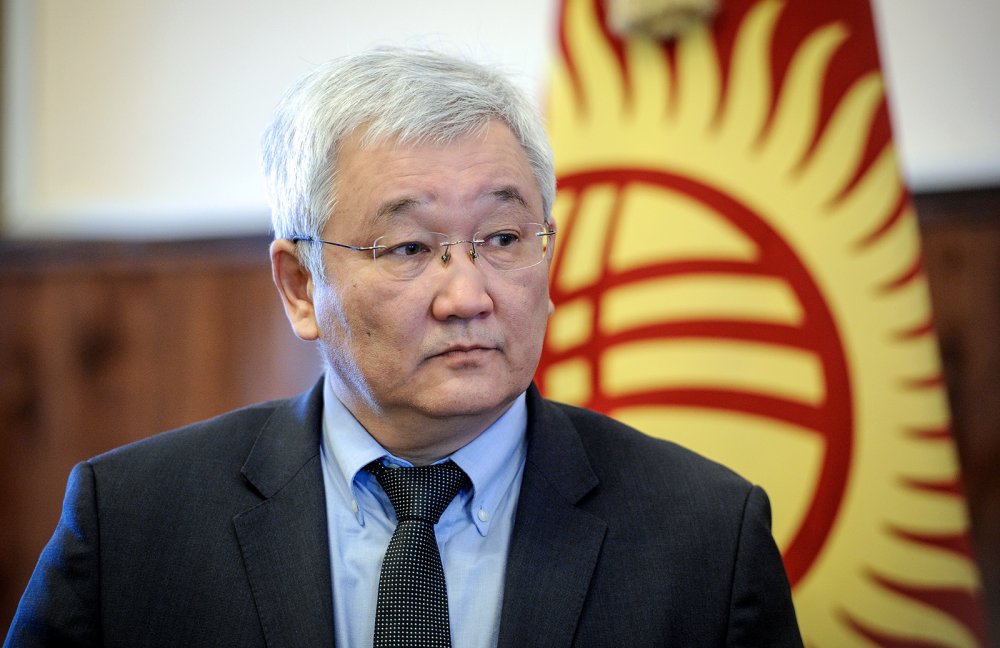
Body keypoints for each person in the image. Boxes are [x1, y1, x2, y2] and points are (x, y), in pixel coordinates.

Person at [5, 47, 802, 647]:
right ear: (299, 286)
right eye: (410, 248)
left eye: (503, 238)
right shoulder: (134, 522)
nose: (468, 296)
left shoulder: (706, 536)